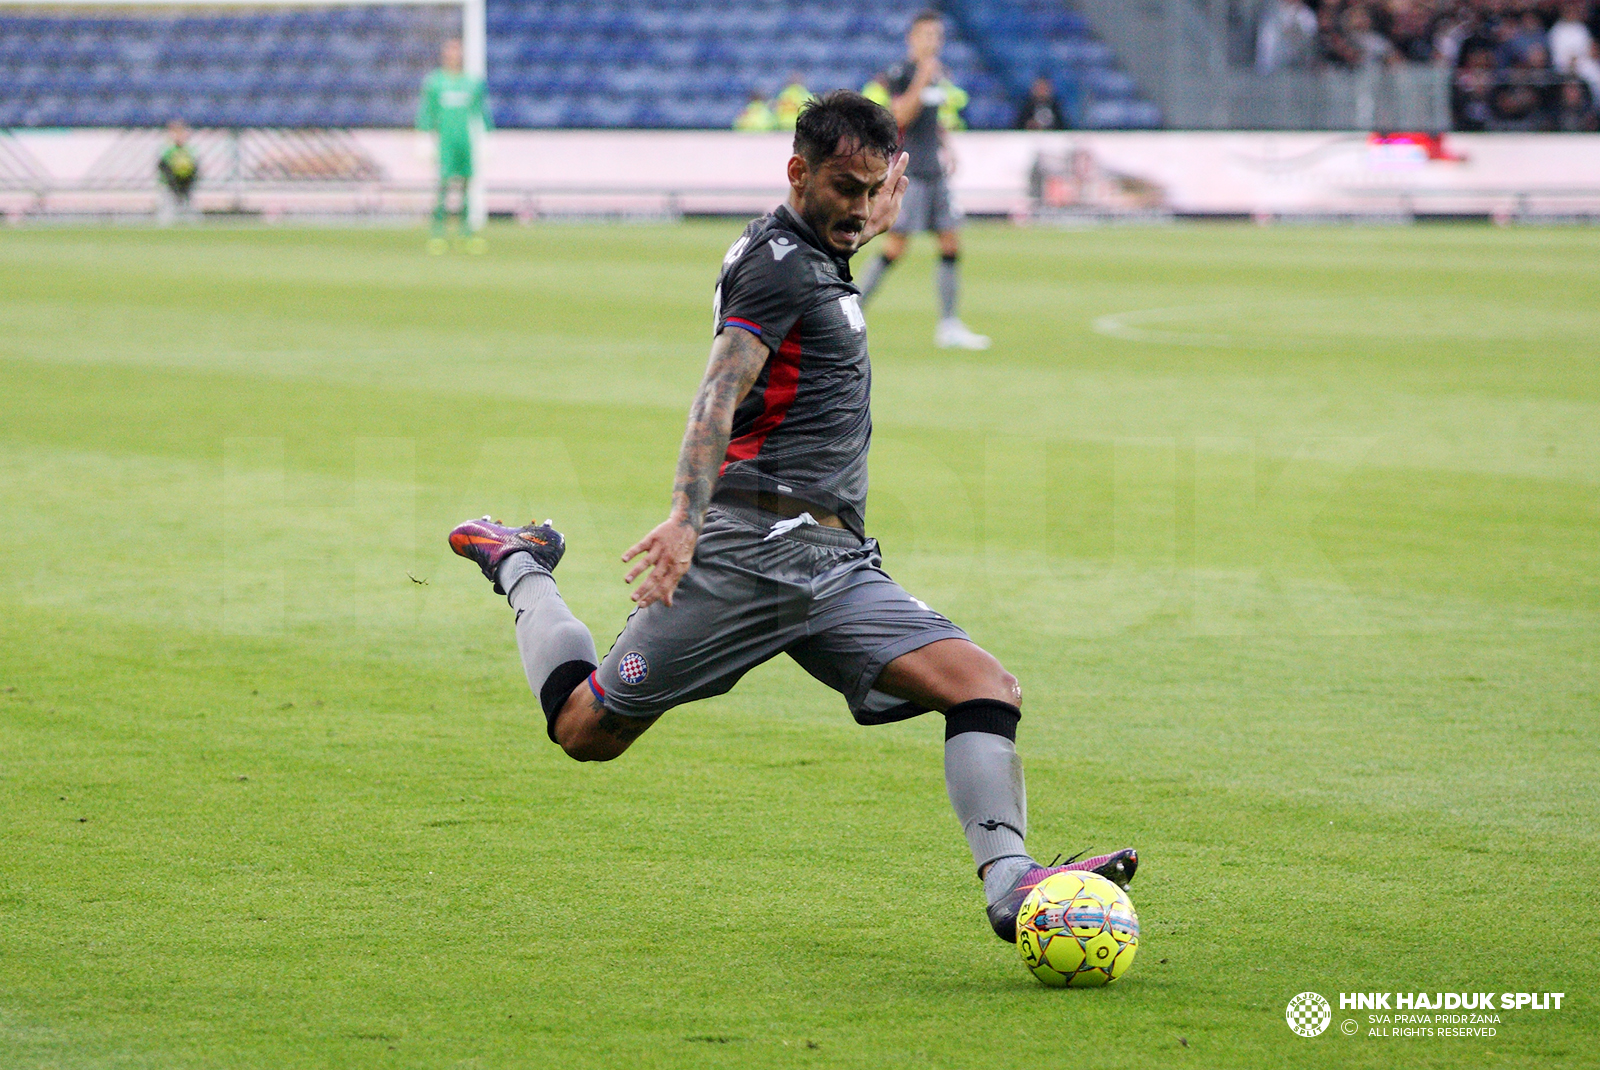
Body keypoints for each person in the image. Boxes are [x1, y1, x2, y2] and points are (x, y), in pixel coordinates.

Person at [447, 91, 1137, 946]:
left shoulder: (815, 248)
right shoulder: (774, 265)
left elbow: (831, 250)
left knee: (985, 687)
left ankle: (1013, 885)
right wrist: (683, 518)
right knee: (586, 732)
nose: (859, 207)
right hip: (748, 554)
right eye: (844, 187)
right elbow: (718, 392)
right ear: (797, 173)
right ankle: (519, 563)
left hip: (837, 565)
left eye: (873, 188)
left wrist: (868, 216)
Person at [855, 10, 990, 351]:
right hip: (910, 173)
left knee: (950, 244)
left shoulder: (936, 75)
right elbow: (899, 116)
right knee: (895, 248)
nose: (934, 41)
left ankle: (949, 325)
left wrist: (948, 147)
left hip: (935, 171)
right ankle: (850, 312)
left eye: (938, 35)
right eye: (927, 35)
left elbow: (931, 119)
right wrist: (922, 79)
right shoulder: (902, 73)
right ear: (912, 38)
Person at [416, 38, 491, 254]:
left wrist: (488, 137)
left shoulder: (473, 82)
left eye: (457, 51)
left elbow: (481, 112)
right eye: (450, 51)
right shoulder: (435, 82)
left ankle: (466, 233)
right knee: (443, 185)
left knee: (467, 185)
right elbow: (427, 111)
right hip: (445, 141)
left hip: (465, 141)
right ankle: (438, 233)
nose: (453, 55)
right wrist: (423, 137)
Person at [156, 120, 200, 227]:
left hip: (185, 183)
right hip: (169, 185)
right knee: (167, 209)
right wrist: (172, 184)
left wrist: (188, 183)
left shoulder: (190, 150)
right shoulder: (167, 150)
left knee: (189, 208)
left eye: (181, 133)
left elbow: (194, 168)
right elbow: (163, 168)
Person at [1255, 0, 1318, 73]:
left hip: (1296, 71)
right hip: (1271, 71)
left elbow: (1308, 45)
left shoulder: (1307, 16)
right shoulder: (1271, 15)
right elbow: (1266, 46)